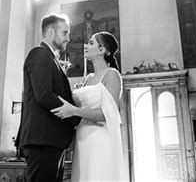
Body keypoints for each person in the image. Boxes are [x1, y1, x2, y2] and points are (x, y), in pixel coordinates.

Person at [51, 31, 126, 182]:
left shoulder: (112, 74)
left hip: (100, 137)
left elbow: (108, 114)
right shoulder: (89, 78)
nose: (86, 45)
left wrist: (75, 111)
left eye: (91, 43)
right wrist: (62, 76)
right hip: (82, 138)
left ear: (102, 50)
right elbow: (71, 103)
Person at [15, 14, 82, 182]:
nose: (69, 37)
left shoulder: (50, 57)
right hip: (43, 141)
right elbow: (44, 95)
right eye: (65, 32)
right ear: (51, 33)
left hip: (50, 140)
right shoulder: (39, 54)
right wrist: (76, 116)